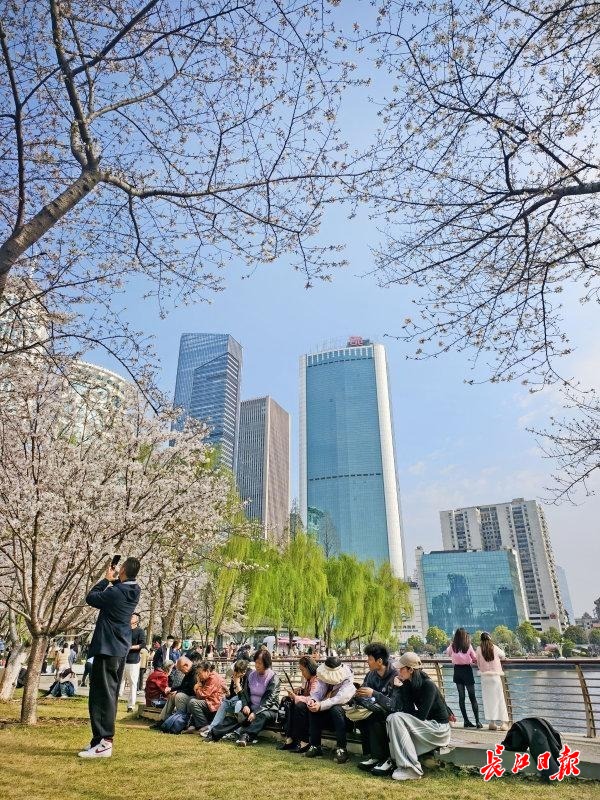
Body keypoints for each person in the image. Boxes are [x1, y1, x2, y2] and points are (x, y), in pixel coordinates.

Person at [78, 556, 141, 759]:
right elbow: (119, 589)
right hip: (118, 648)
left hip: (108, 648)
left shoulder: (116, 592)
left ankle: (105, 741)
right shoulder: (134, 590)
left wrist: (106, 579)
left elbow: (91, 597)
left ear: (122, 570)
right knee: (105, 693)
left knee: (103, 695)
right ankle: (98, 740)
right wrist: (115, 581)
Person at [382, 652, 451, 781]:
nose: (398, 671)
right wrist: (400, 688)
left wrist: (405, 716)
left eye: (401, 669)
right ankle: (401, 763)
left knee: (396, 717)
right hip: (426, 726)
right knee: (391, 718)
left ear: (411, 670)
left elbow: (421, 716)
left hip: (439, 729)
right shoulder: (408, 685)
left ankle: (412, 769)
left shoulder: (428, 685)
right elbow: (408, 711)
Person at [355, 642, 398, 773]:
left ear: (379, 661)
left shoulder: (395, 676)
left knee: (375, 717)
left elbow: (393, 704)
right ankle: (373, 756)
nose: (367, 662)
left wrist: (373, 694)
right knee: (362, 717)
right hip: (374, 709)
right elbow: (363, 692)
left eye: (369, 659)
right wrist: (358, 695)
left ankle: (384, 758)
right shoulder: (371, 675)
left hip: (393, 713)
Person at [306, 655, 355, 764]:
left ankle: (342, 748)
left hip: (345, 718)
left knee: (336, 709)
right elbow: (318, 691)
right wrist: (313, 700)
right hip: (328, 715)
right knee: (313, 709)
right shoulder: (324, 674)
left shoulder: (347, 679)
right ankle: (315, 746)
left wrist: (320, 705)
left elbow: (339, 699)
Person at [228, 649, 280, 746]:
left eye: (260, 663)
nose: (257, 665)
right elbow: (245, 694)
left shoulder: (273, 678)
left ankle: (246, 736)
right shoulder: (251, 675)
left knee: (262, 715)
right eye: (256, 662)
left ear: (266, 663)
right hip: (252, 708)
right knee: (240, 714)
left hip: (268, 710)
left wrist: (255, 713)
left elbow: (269, 701)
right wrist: (245, 705)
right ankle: (215, 732)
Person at [278, 655, 326, 753]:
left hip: (317, 708)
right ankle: (290, 738)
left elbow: (313, 698)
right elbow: (306, 693)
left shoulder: (317, 680)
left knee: (299, 706)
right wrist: (300, 690)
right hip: (308, 706)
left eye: (302, 670)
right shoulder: (308, 679)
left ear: (309, 668)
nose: (302, 673)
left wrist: (296, 697)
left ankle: (304, 741)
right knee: (289, 702)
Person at [202, 659, 250, 739]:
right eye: (234, 671)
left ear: (243, 672)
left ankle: (236, 733)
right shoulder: (235, 676)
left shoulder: (248, 677)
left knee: (239, 704)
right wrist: (227, 694)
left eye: (236, 672)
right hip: (237, 699)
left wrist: (237, 684)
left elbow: (244, 698)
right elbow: (232, 695)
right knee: (225, 703)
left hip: (246, 703)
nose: (234, 674)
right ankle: (212, 729)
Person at [445, 628, 481, 728]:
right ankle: (478, 721)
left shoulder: (453, 646)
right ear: (465, 636)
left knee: (461, 697)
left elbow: (448, 653)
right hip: (467, 670)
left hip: (457, 671)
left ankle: (466, 721)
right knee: (472, 697)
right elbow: (474, 658)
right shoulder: (468, 645)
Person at [476, 632, 509, 731]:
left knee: (488, 701)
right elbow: (503, 655)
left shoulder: (478, 649)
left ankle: (492, 723)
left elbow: (478, 662)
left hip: (485, 678)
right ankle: (504, 723)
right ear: (490, 639)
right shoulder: (494, 647)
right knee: (500, 699)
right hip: (495, 677)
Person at [183, 661, 227, 733]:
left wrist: (196, 688)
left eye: (199, 673)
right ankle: (192, 725)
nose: (198, 676)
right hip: (209, 701)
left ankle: (204, 725)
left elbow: (203, 695)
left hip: (214, 704)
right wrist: (199, 683)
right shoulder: (207, 677)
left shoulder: (213, 678)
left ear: (207, 671)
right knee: (191, 699)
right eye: (197, 674)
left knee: (193, 702)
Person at [120, 612, 146, 711]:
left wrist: (130, 647)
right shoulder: (124, 629)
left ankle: (130, 706)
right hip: (121, 659)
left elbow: (142, 644)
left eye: (133, 617)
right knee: (119, 681)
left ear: (137, 620)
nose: (130, 617)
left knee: (133, 684)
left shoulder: (140, 631)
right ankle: (114, 702)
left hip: (133, 661)